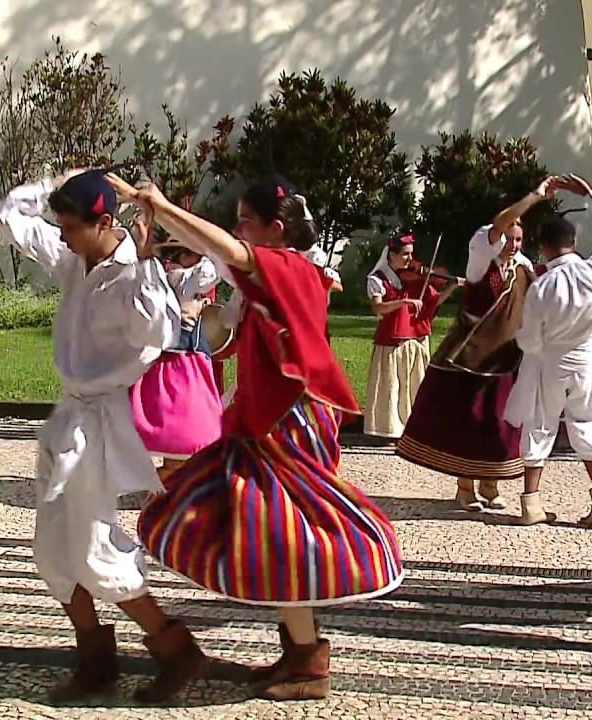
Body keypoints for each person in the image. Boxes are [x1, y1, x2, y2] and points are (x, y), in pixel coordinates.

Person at [114, 173, 404, 702]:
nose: (239, 229)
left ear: (276, 229)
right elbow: (219, 251)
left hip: (286, 421)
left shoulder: (287, 267)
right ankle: (301, 653)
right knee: (270, 530)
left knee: (283, 533)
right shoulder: (280, 271)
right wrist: (163, 217)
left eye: (248, 222)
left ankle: (308, 664)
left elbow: (225, 249)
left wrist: (157, 203)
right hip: (272, 419)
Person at [0, 169, 205, 704]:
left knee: (93, 547)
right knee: (52, 552)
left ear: (105, 222)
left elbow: (160, 333)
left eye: (71, 226)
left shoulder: (134, 276)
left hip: (101, 424)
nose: (60, 235)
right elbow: (10, 213)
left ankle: (174, 649)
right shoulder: (75, 259)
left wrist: (150, 262)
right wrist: (61, 179)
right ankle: (96, 658)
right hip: (68, 418)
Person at [395, 184, 541, 511]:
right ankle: (465, 486)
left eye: (518, 240)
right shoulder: (481, 253)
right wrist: (535, 196)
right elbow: (499, 225)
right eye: (508, 237)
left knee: (498, 420)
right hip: (469, 351)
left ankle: (490, 484)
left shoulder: (524, 267)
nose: (512, 245)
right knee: (468, 418)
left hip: (505, 356)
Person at [503, 175, 592, 527]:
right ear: (573, 241)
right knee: (586, 423)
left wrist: (535, 349)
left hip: (552, 363)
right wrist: (590, 195)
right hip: (588, 361)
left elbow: (528, 338)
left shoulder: (543, 287)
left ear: (543, 248)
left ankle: (531, 503)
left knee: (540, 426)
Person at [129, 227, 224, 480]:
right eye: (193, 254)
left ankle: (167, 479)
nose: (198, 259)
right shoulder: (184, 279)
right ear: (183, 257)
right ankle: (165, 482)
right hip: (181, 365)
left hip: (180, 361)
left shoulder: (168, 277)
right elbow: (210, 271)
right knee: (185, 426)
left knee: (181, 431)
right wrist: (213, 247)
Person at [364, 233, 464, 439]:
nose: (410, 260)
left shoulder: (417, 279)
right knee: (392, 386)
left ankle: (415, 430)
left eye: (411, 254)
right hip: (393, 342)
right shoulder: (377, 279)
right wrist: (404, 302)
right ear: (391, 255)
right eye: (405, 255)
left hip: (417, 339)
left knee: (416, 386)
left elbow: (432, 304)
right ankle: (390, 430)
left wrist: (452, 286)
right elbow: (379, 308)